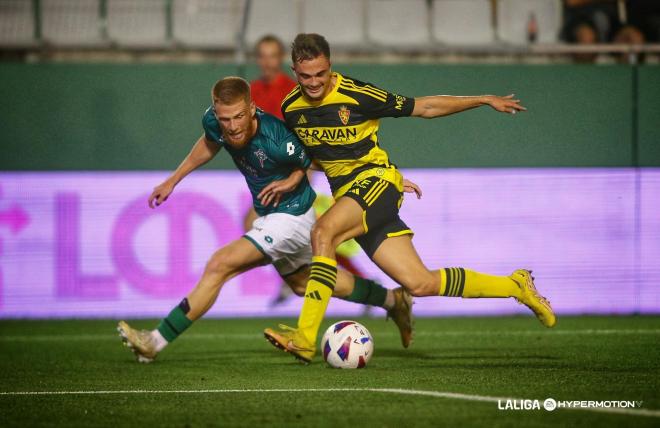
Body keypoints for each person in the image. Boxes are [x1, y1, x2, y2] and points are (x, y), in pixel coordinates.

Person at [264, 33, 556, 364]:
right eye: (306, 76)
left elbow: (425, 107)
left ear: (331, 67)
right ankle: (516, 286)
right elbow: (319, 156)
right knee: (420, 283)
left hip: (375, 183)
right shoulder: (292, 108)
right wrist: (294, 176)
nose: (314, 83)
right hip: (352, 196)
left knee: (323, 233)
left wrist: (484, 99)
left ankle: (304, 337)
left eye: (321, 74)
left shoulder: (357, 94)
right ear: (293, 71)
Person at [117, 77, 415, 362]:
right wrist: (174, 180)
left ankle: (153, 342)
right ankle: (393, 300)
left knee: (220, 264)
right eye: (224, 119)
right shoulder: (215, 123)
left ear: (251, 108)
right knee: (302, 283)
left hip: (293, 218)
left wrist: (382, 176)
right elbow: (209, 143)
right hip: (271, 215)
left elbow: (317, 159)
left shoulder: (276, 137)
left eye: (237, 117)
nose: (232, 127)